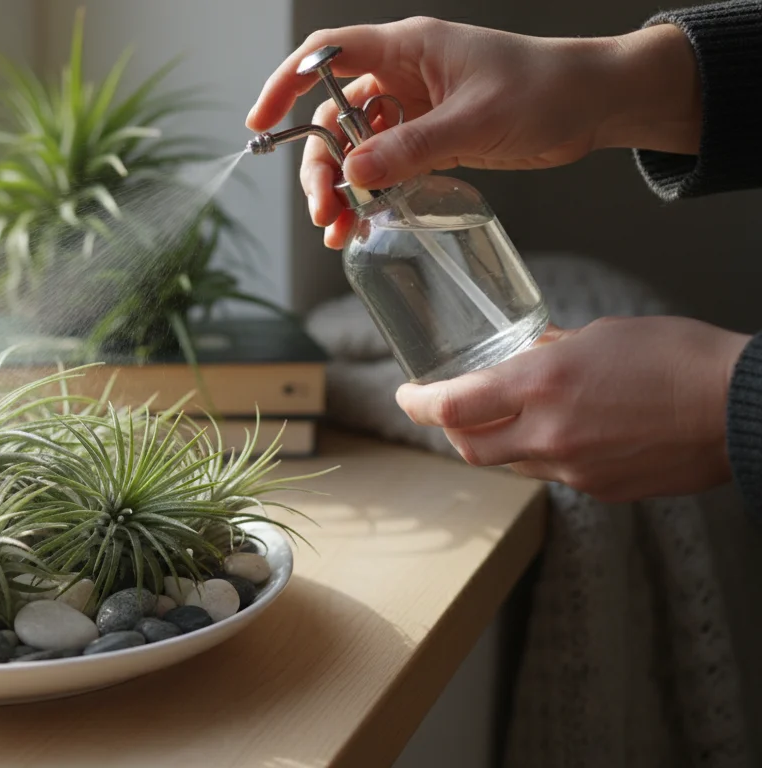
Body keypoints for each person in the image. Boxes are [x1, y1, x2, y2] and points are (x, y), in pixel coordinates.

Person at [245, 1, 762, 509]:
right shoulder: (366, 247)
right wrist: (603, 81)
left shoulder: (447, 199)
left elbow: (717, 401)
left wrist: (720, 399)